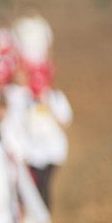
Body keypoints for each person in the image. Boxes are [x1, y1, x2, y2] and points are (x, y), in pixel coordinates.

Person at [18, 62, 72, 209]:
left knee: (43, 182)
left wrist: (48, 105)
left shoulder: (56, 98)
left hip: (53, 152)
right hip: (34, 152)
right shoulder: (26, 100)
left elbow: (65, 123)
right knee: (37, 184)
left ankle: (45, 212)